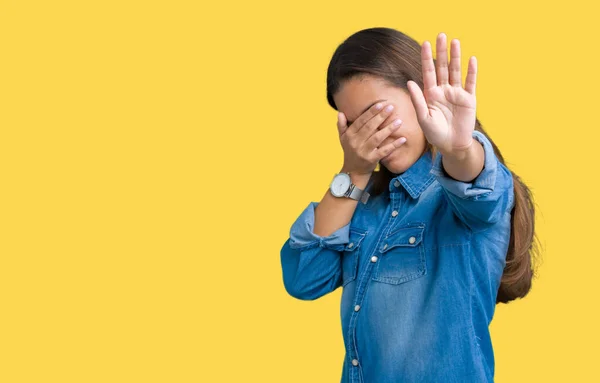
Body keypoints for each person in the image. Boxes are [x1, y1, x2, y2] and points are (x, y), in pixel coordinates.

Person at [279, 27, 540, 383]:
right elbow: (304, 278)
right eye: (355, 124)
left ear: (422, 94)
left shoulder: (462, 195)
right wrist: (353, 171)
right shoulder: (364, 203)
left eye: (379, 113)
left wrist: (459, 149)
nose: (372, 135)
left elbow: (480, 190)